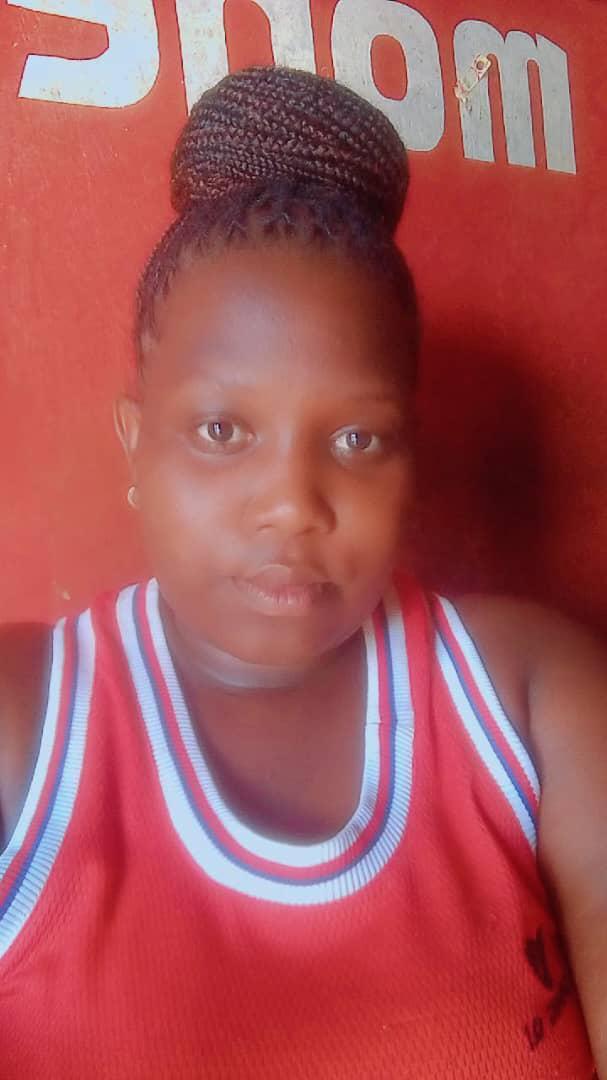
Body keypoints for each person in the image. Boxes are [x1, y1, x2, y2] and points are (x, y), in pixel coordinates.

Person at [0, 66, 604, 1079]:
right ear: (136, 446)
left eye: (359, 439)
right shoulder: (24, 731)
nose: (291, 504)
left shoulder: (535, 701)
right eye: (222, 430)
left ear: (412, 463)